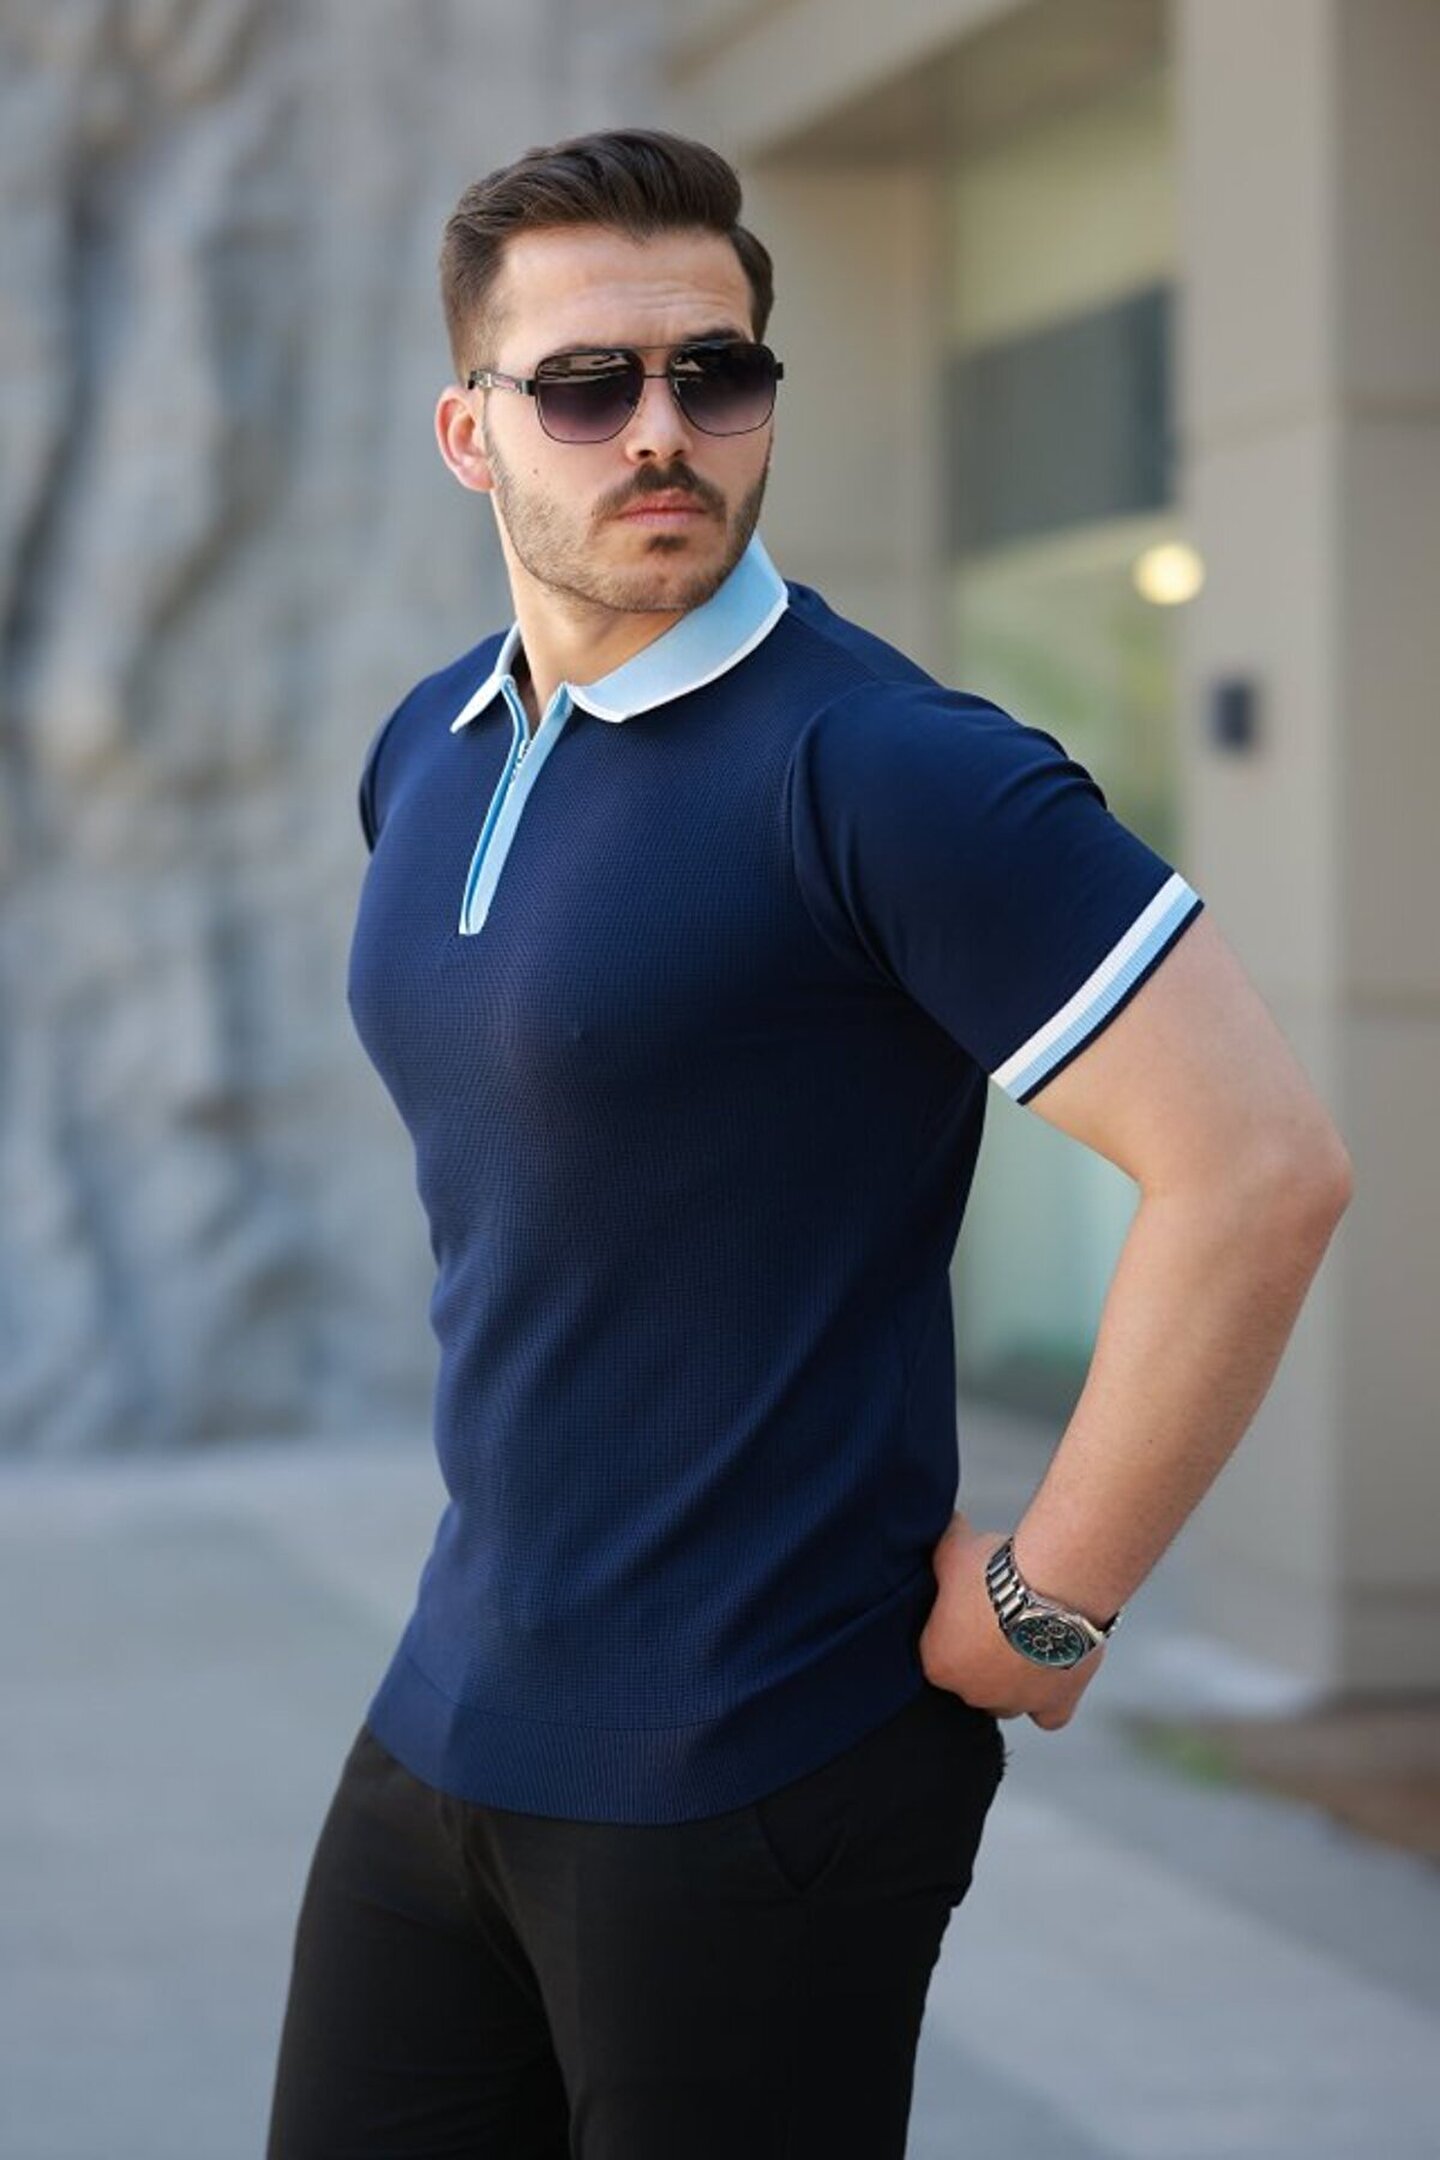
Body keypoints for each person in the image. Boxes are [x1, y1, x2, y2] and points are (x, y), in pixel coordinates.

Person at [265, 128, 1352, 2160]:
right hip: (448, 1716)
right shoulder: (434, 745)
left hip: (760, 1763)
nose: (660, 430)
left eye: (718, 373)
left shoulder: (890, 767)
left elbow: (1261, 1170)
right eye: (587, 385)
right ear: (469, 431)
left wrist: (1053, 1600)